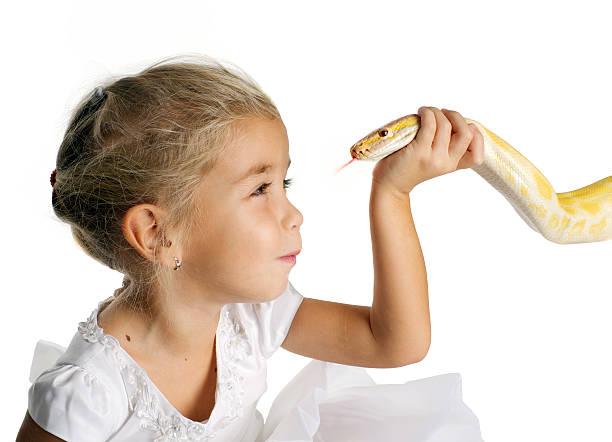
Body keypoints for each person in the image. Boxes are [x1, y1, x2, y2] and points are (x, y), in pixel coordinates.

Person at [16, 53, 485, 441]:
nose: (294, 214)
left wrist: (393, 193)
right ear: (157, 234)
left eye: (284, 182)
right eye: (260, 189)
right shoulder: (88, 396)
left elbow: (396, 342)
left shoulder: (249, 316)